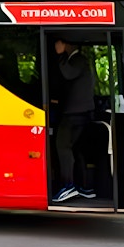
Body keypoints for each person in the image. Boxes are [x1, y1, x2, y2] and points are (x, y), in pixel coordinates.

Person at [52, 39, 97, 202]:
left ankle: (68, 186)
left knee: (62, 147)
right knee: (76, 150)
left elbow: (67, 74)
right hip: (81, 112)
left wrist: (59, 55)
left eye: (62, 43)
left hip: (74, 114)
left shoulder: (77, 59)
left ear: (68, 44)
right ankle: (83, 186)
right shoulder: (82, 61)